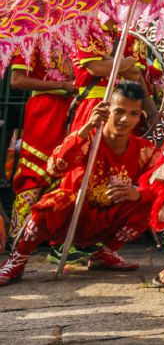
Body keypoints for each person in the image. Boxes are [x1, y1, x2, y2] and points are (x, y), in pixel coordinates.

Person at [0, 82, 154, 286]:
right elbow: (54, 167)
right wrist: (88, 126)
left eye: (134, 113)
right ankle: (17, 260)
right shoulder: (87, 140)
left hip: (109, 220)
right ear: (106, 111)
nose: (126, 119)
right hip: (74, 217)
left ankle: (104, 253)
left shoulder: (145, 150)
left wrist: (138, 193)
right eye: (119, 111)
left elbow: (162, 182)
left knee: (152, 201)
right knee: (56, 200)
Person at [6, 50, 75, 231]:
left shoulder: (76, 37)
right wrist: (62, 85)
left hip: (70, 108)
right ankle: (19, 234)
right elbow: (17, 80)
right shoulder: (32, 40)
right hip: (44, 110)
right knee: (35, 170)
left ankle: (49, 233)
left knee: (66, 169)